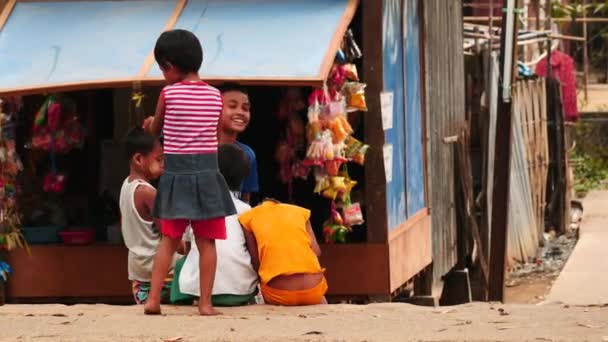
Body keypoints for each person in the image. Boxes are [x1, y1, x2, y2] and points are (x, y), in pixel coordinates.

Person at [142, 29, 236, 316]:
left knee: (168, 240)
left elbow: (156, 129)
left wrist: (149, 125)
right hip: (208, 174)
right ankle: (206, 304)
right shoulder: (215, 96)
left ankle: (153, 300)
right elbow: (215, 135)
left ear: (169, 66)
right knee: (207, 243)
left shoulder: (168, 93)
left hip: (176, 177)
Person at [177, 144, 259, 306]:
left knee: (182, 262)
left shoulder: (194, 206)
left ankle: (180, 299)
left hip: (199, 293)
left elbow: (187, 249)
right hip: (241, 292)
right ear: (241, 179)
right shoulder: (245, 210)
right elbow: (253, 252)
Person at [119, 128, 184, 305]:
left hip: (138, 272)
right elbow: (170, 234)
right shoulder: (148, 193)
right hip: (161, 274)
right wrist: (186, 248)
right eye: (159, 159)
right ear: (139, 159)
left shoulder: (127, 186)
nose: (163, 163)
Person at [238, 199, 328, 306]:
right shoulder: (300, 212)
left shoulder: (248, 217)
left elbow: (256, 262)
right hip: (314, 290)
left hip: (279, 294)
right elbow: (316, 251)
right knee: (320, 298)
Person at [217, 83, 259, 203]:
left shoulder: (248, 154)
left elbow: (246, 200)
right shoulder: (201, 150)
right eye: (232, 106)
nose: (240, 112)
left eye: (245, 108)